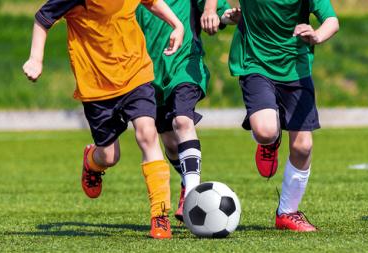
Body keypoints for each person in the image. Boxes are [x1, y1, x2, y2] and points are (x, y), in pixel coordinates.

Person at [22, 0, 185, 239]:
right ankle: (92, 160)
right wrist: (36, 58)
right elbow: (43, 18)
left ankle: (159, 216)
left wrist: (176, 25)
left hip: (135, 72)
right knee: (109, 156)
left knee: (147, 133)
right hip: (96, 85)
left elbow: (152, 2)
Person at [228, 0, 339, 232]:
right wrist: (211, 10)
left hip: (296, 68)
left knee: (303, 147)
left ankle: (287, 213)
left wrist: (317, 36)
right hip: (255, 64)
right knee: (266, 131)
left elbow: (332, 21)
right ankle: (270, 141)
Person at [136, 0, 241, 222]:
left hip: (186, 66)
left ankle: (194, 197)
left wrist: (227, 17)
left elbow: (216, 12)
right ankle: (187, 182)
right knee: (171, 146)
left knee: (182, 121)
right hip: (149, 74)